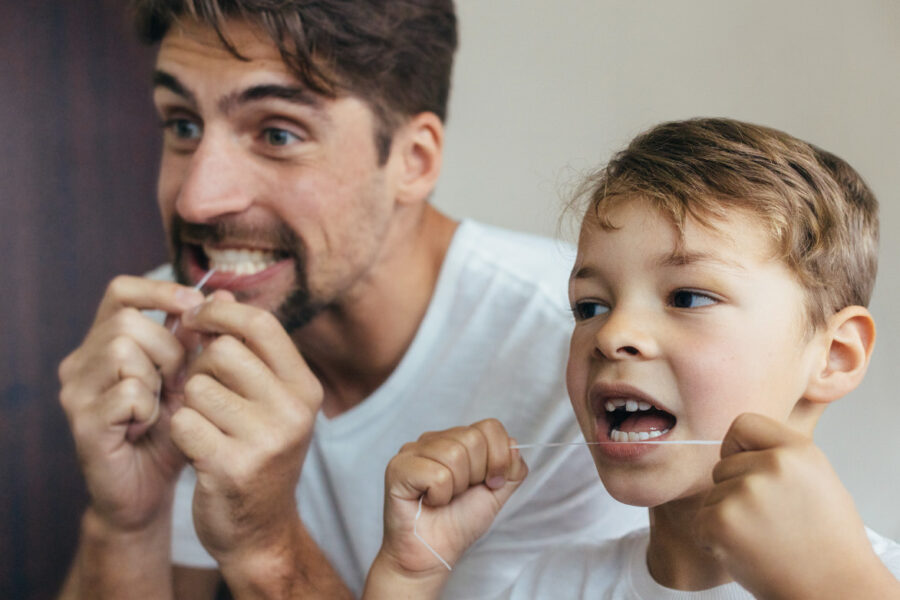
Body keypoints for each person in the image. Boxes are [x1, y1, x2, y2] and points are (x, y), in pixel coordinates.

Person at [55, 1, 646, 598]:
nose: (196, 202)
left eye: (277, 133)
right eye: (182, 125)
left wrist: (266, 545)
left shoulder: (583, 356)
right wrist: (125, 522)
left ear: (413, 162)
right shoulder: (172, 336)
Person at [364, 118, 900, 599]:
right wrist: (407, 578)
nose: (612, 334)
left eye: (687, 297)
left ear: (834, 355)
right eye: (590, 306)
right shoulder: (548, 586)